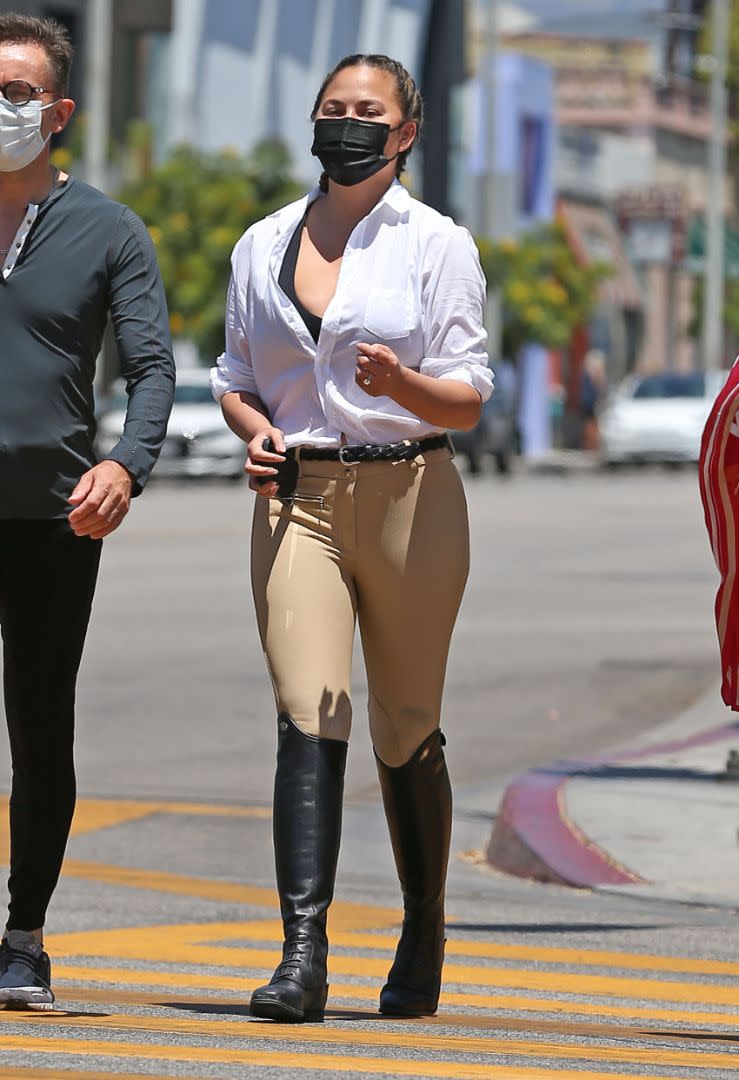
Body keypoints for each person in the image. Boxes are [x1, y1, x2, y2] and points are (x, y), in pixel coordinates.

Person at [211, 53, 492, 1023]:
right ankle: (303, 955)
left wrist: (399, 385)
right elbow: (235, 378)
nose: (347, 124)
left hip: (413, 491)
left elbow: (464, 396)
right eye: (332, 108)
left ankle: (423, 926)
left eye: (367, 112)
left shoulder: (437, 244)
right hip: (300, 498)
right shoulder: (262, 243)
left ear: (405, 133)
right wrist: (258, 434)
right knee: (308, 706)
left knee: (404, 722)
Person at [0, 14, 175, 1009]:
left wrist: (126, 465)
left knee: (40, 727)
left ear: (58, 112)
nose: (3, 107)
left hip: (53, 522)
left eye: (19, 93)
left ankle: (24, 936)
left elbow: (152, 368)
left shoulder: (108, 230)